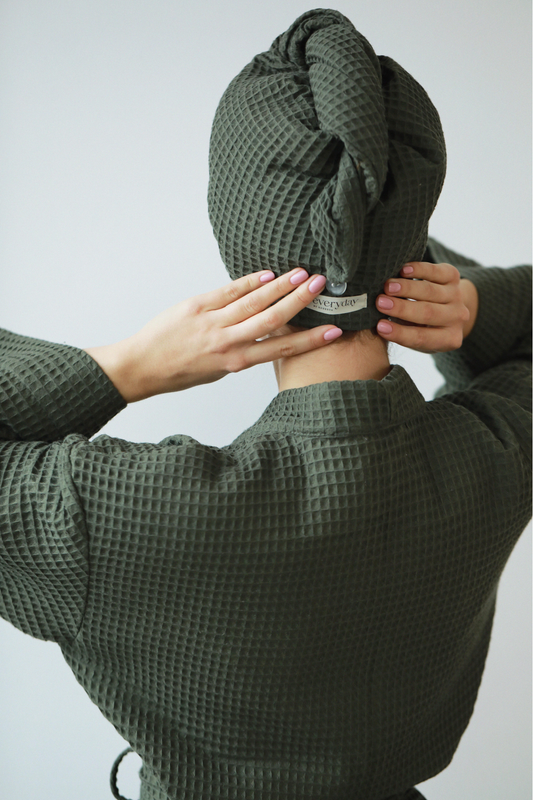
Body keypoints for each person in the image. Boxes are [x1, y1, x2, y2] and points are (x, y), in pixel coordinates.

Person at [1, 10, 531, 800]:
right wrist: (470, 304)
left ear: (236, 247)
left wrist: (128, 367)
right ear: (411, 242)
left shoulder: (99, 514)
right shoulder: (496, 456)